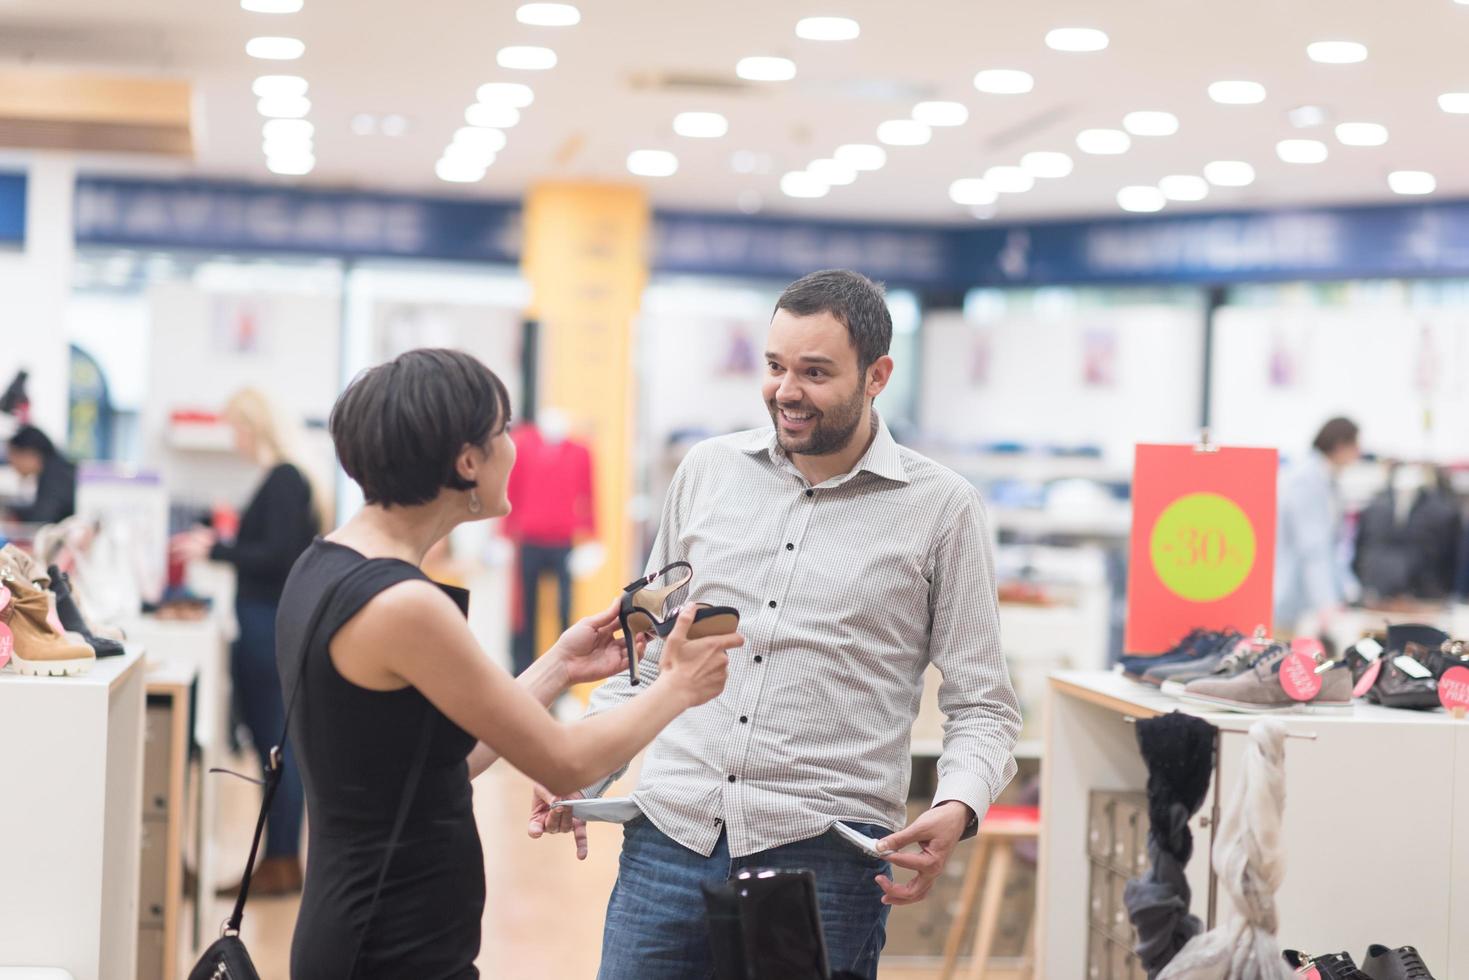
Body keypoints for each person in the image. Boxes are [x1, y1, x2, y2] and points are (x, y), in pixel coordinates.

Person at [531, 269, 1022, 980]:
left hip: (822, 861)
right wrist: (580, 767)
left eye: (815, 372)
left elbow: (981, 701)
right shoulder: (705, 471)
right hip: (668, 840)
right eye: (774, 366)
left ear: (876, 374)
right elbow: (644, 660)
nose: (785, 391)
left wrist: (958, 804)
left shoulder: (943, 509)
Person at [279, 348, 738, 978]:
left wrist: (558, 666)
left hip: (364, 925)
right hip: (390, 945)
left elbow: (434, 764)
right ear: (468, 461)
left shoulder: (325, 565)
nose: (514, 447)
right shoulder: (403, 604)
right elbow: (563, 760)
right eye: (502, 432)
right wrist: (678, 686)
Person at [171, 389, 324, 894]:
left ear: (254, 426)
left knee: (275, 748)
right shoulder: (290, 478)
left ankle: (281, 860)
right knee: (275, 746)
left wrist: (217, 548)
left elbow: (276, 555)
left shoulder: (283, 477)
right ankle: (280, 858)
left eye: (236, 427)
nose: (233, 439)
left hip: (265, 626)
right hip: (267, 623)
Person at [1274, 416, 1362, 636]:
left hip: (1300, 600)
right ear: (1341, 445)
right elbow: (1313, 548)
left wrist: (1346, 590)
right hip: (1287, 599)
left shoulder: (1326, 480)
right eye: (1356, 445)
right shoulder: (1307, 481)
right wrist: (1326, 604)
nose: (1358, 453)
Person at [5, 425, 77, 525]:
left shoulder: (55, 476)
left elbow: (43, 518)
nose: (12, 464)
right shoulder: (55, 469)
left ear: (30, 453)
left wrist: (10, 511)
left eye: (13, 456)